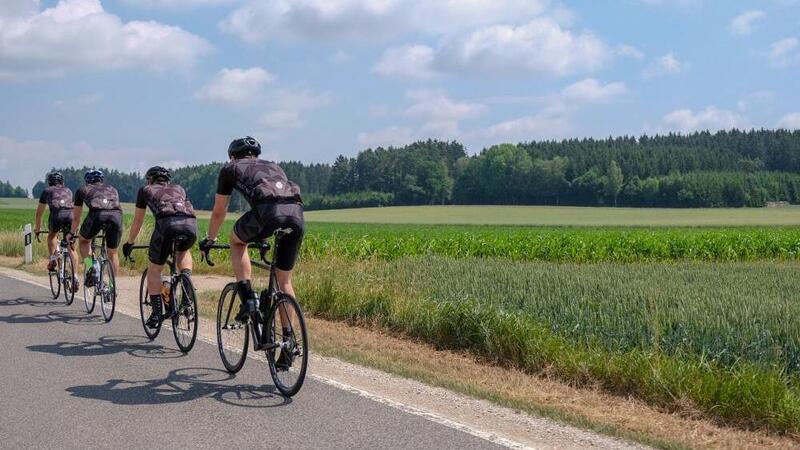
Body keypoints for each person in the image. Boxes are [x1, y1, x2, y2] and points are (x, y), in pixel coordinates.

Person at [199, 136, 304, 324]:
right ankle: (289, 343)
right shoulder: (274, 167)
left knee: (237, 241)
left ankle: (248, 299)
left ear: (232, 156)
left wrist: (210, 239)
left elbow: (219, 211)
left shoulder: (230, 169)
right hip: (296, 215)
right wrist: (262, 237)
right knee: (284, 281)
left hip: (267, 214)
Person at [122, 166, 197, 327]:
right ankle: (186, 282)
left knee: (154, 270)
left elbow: (137, 221)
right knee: (183, 251)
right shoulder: (179, 188)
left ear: (150, 180)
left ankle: (156, 314)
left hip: (167, 225)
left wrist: (130, 243)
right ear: (167, 180)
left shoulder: (145, 189)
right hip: (190, 225)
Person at [70, 169, 123, 287]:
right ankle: (112, 287)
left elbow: (76, 218)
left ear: (87, 181)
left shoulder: (82, 190)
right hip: (116, 216)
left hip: (97, 215)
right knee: (113, 253)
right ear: (101, 180)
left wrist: (71, 233)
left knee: (83, 241)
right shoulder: (112, 189)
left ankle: (91, 267)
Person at [34, 172, 80, 283]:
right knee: (71, 246)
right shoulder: (68, 190)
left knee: (52, 235)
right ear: (62, 182)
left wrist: (38, 229)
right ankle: (75, 276)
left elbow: (39, 213)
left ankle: (53, 259)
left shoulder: (47, 191)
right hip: (70, 216)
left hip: (56, 216)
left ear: (49, 183)